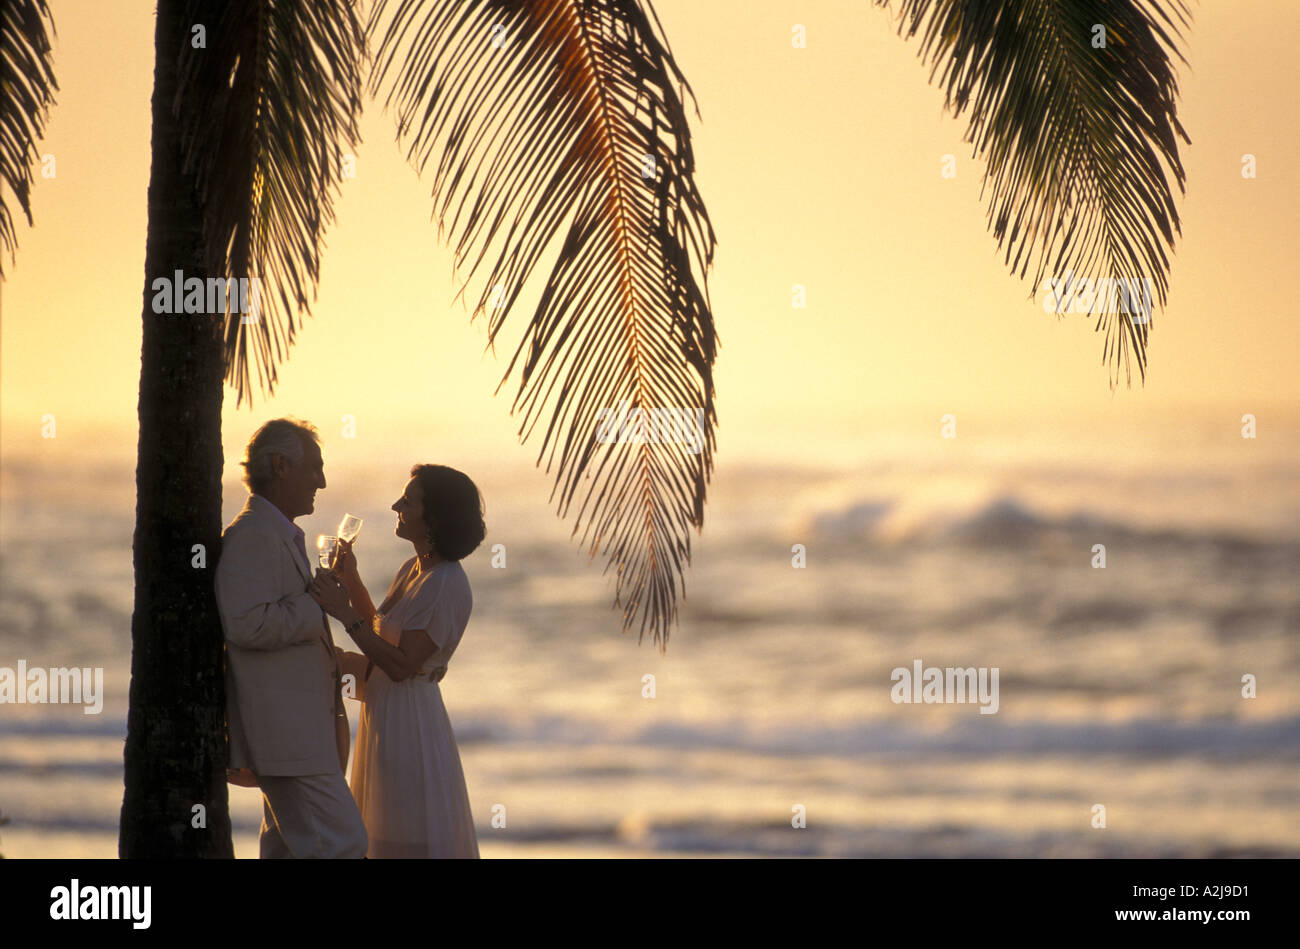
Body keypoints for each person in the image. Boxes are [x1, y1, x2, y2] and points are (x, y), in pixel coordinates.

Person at [310, 463, 484, 858]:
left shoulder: (446, 582)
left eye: (408, 500)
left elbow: (402, 665)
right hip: (385, 713)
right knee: (379, 835)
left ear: (435, 516)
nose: (395, 506)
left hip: (411, 721)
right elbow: (380, 628)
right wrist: (351, 579)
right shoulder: (414, 569)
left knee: (406, 834)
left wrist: (342, 613)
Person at [214, 418, 367, 859]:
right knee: (343, 844)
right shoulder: (253, 536)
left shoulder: (277, 533)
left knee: (285, 849)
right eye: (314, 467)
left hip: (298, 734)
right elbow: (246, 625)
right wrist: (317, 603)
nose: (321, 480)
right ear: (281, 466)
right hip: (286, 737)